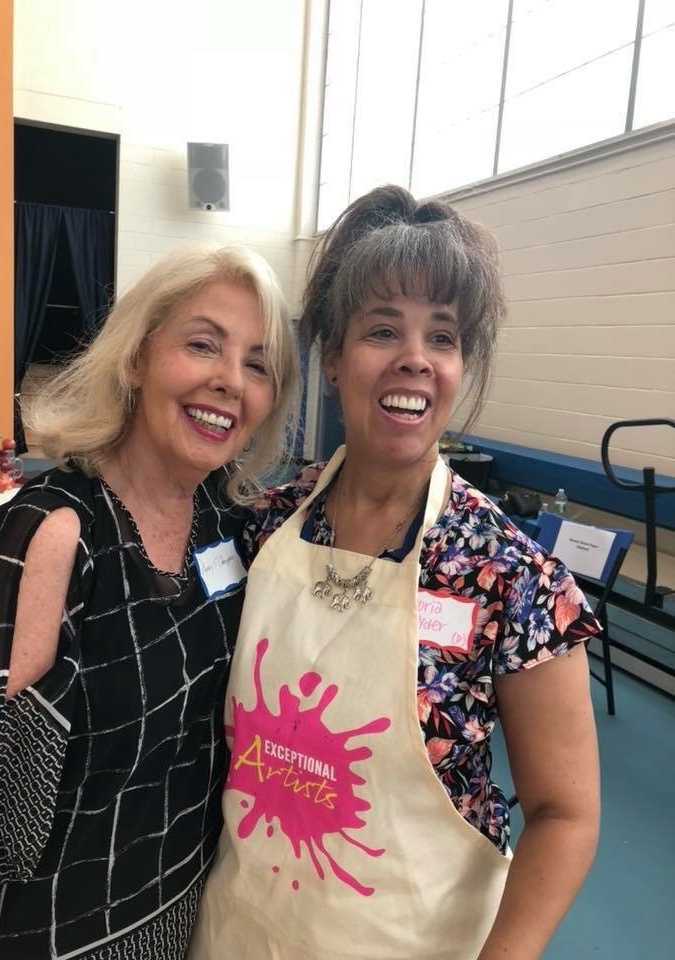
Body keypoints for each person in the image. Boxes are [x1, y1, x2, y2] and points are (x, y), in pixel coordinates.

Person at [191, 187, 601, 960]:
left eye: (441, 337)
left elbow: (565, 814)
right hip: (241, 932)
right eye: (384, 329)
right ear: (336, 360)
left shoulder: (508, 575)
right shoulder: (263, 524)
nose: (416, 356)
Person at [0, 244, 300, 960]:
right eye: (202, 344)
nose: (229, 381)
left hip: (187, 917)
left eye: (258, 364)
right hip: (52, 935)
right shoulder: (49, 536)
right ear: (137, 358)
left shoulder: (231, 527)